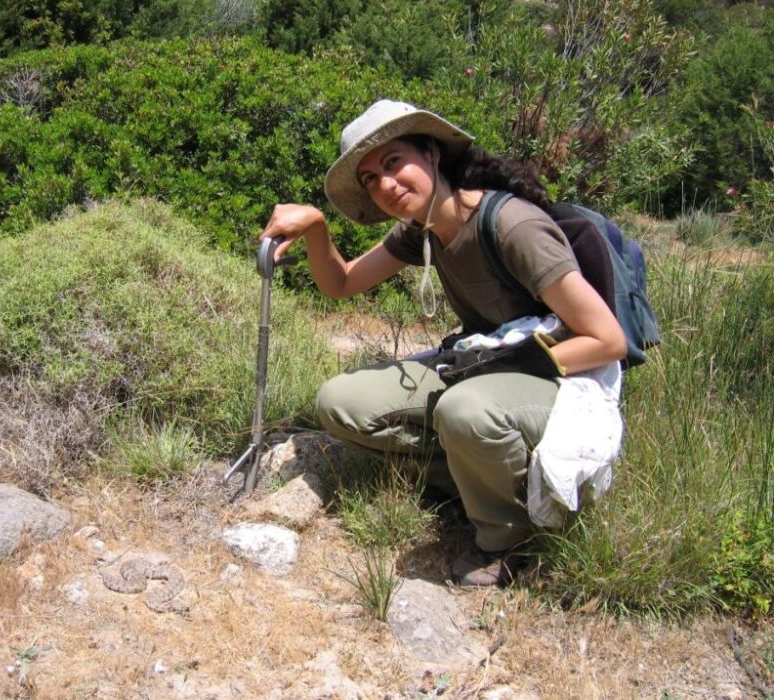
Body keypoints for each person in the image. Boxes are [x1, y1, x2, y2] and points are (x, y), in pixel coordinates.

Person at [261, 99, 627, 586]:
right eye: (370, 178)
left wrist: (499, 372)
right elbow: (343, 283)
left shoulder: (512, 226)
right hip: (480, 366)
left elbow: (607, 340)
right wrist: (316, 228)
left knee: (465, 410)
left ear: (431, 153)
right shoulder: (423, 229)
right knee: (340, 403)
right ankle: (472, 478)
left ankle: (511, 539)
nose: (385, 185)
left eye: (393, 163)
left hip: (563, 376)